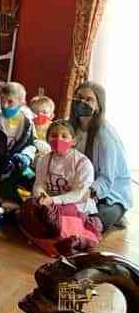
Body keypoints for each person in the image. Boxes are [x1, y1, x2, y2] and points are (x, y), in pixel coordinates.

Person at [19, 120, 102, 256]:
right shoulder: (44, 160)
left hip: (75, 206)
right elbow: (39, 183)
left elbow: (79, 195)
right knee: (29, 206)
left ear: (73, 140)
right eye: (53, 135)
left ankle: (59, 237)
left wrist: (53, 201)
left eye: (64, 136)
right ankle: (52, 237)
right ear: (47, 139)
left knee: (55, 218)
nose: (58, 139)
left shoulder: (83, 163)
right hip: (50, 203)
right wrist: (41, 196)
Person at [70, 81, 133, 231]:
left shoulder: (105, 136)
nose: (82, 102)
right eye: (79, 97)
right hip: (79, 185)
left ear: (98, 107)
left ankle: (118, 213)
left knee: (87, 224)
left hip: (109, 195)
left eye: (88, 99)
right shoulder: (70, 127)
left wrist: (85, 194)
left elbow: (106, 179)